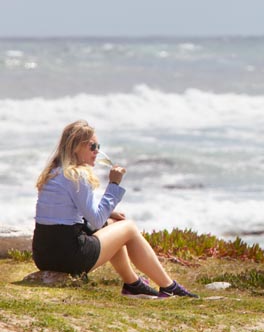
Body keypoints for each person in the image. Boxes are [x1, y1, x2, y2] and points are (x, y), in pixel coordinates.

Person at [33, 120, 198, 299]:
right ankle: (169, 286)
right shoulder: (78, 175)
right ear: (75, 147)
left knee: (113, 224)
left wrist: (109, 214)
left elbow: (67, 211)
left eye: (98, 146)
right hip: (69, 257)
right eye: (92, 146)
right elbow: (95, 220)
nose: (97, 151)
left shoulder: (54, 172)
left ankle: (133, 284)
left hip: (43, 255)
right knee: (128, 227)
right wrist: (114, 184)